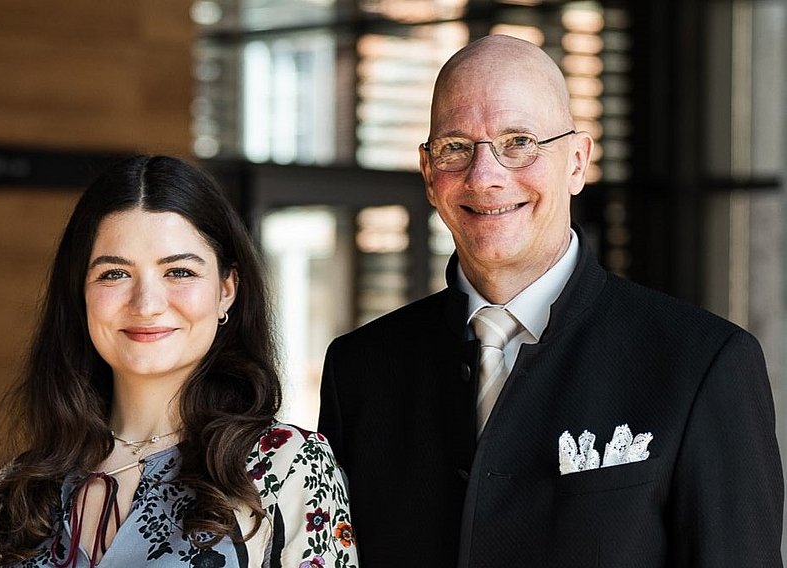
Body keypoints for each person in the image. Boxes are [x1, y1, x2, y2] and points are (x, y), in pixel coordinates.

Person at [318, 34, 783, 567]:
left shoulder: (702, 362)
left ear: (578, 162)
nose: (485, 176)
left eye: (519, 141)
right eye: (456, 147)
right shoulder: (360, 370)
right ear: (428, 173)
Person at [0, 155, 358, 567]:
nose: (146, 304)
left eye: (179, 272)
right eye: (114, 274)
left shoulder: (286, 465)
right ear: (80, 294)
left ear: (227, 290)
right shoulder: (26, 486)